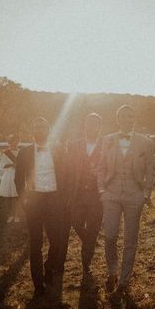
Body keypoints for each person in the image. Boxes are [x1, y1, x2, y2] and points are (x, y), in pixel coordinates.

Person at [97, 105, 155, 294]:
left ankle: (124, 280)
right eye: (123, 115)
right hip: (111, 194)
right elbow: (101, 167)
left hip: (134, 195)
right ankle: (112, 272)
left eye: (130, 116)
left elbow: (150, 170)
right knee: (110, 236)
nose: (127, 119)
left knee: (131, 239)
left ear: (134, 119)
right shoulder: (107, 140)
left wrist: (145, 194)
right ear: (117, 118)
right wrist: (102, 190)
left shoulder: (146, 142)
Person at [15, 117, 70, 297]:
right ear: (33, 131)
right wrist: (24, 199)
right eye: (37, 127)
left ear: (48, 130)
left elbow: (68, 173)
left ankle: (49, 267)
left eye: (43, 127)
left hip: (55, 199)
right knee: (35, 244)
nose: (40, 130)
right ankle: (38, 283)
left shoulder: (59, 148)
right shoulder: (24, 152)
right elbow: (18, 178)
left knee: (57, 241)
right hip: (35, 200)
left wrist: (63, 198)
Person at [68, 113, 104, 277]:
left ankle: (86, 265)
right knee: (75, 222)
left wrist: (102, 173)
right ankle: (90, 240)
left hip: (98, 195)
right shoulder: (74, 145)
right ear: (85, 125)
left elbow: (112, 165)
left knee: (93, 228)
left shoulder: (106, 144)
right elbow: (68, 169)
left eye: (95, 124)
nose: (92, 126)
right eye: (89, 123)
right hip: (79, 193)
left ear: (99, 126)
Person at [0, 134, 20, 223]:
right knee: (9, 197)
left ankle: (16, 215)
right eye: (13, 141)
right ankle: (10, 215)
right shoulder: (6, 152)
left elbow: (24, 164)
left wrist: (19, 166)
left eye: (17, 141)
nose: (15, 143)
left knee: (16, 197)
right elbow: (2, 165)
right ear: (9, 142)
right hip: (8, 176)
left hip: (17, 175)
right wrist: (11, 164)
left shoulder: (20, 152)